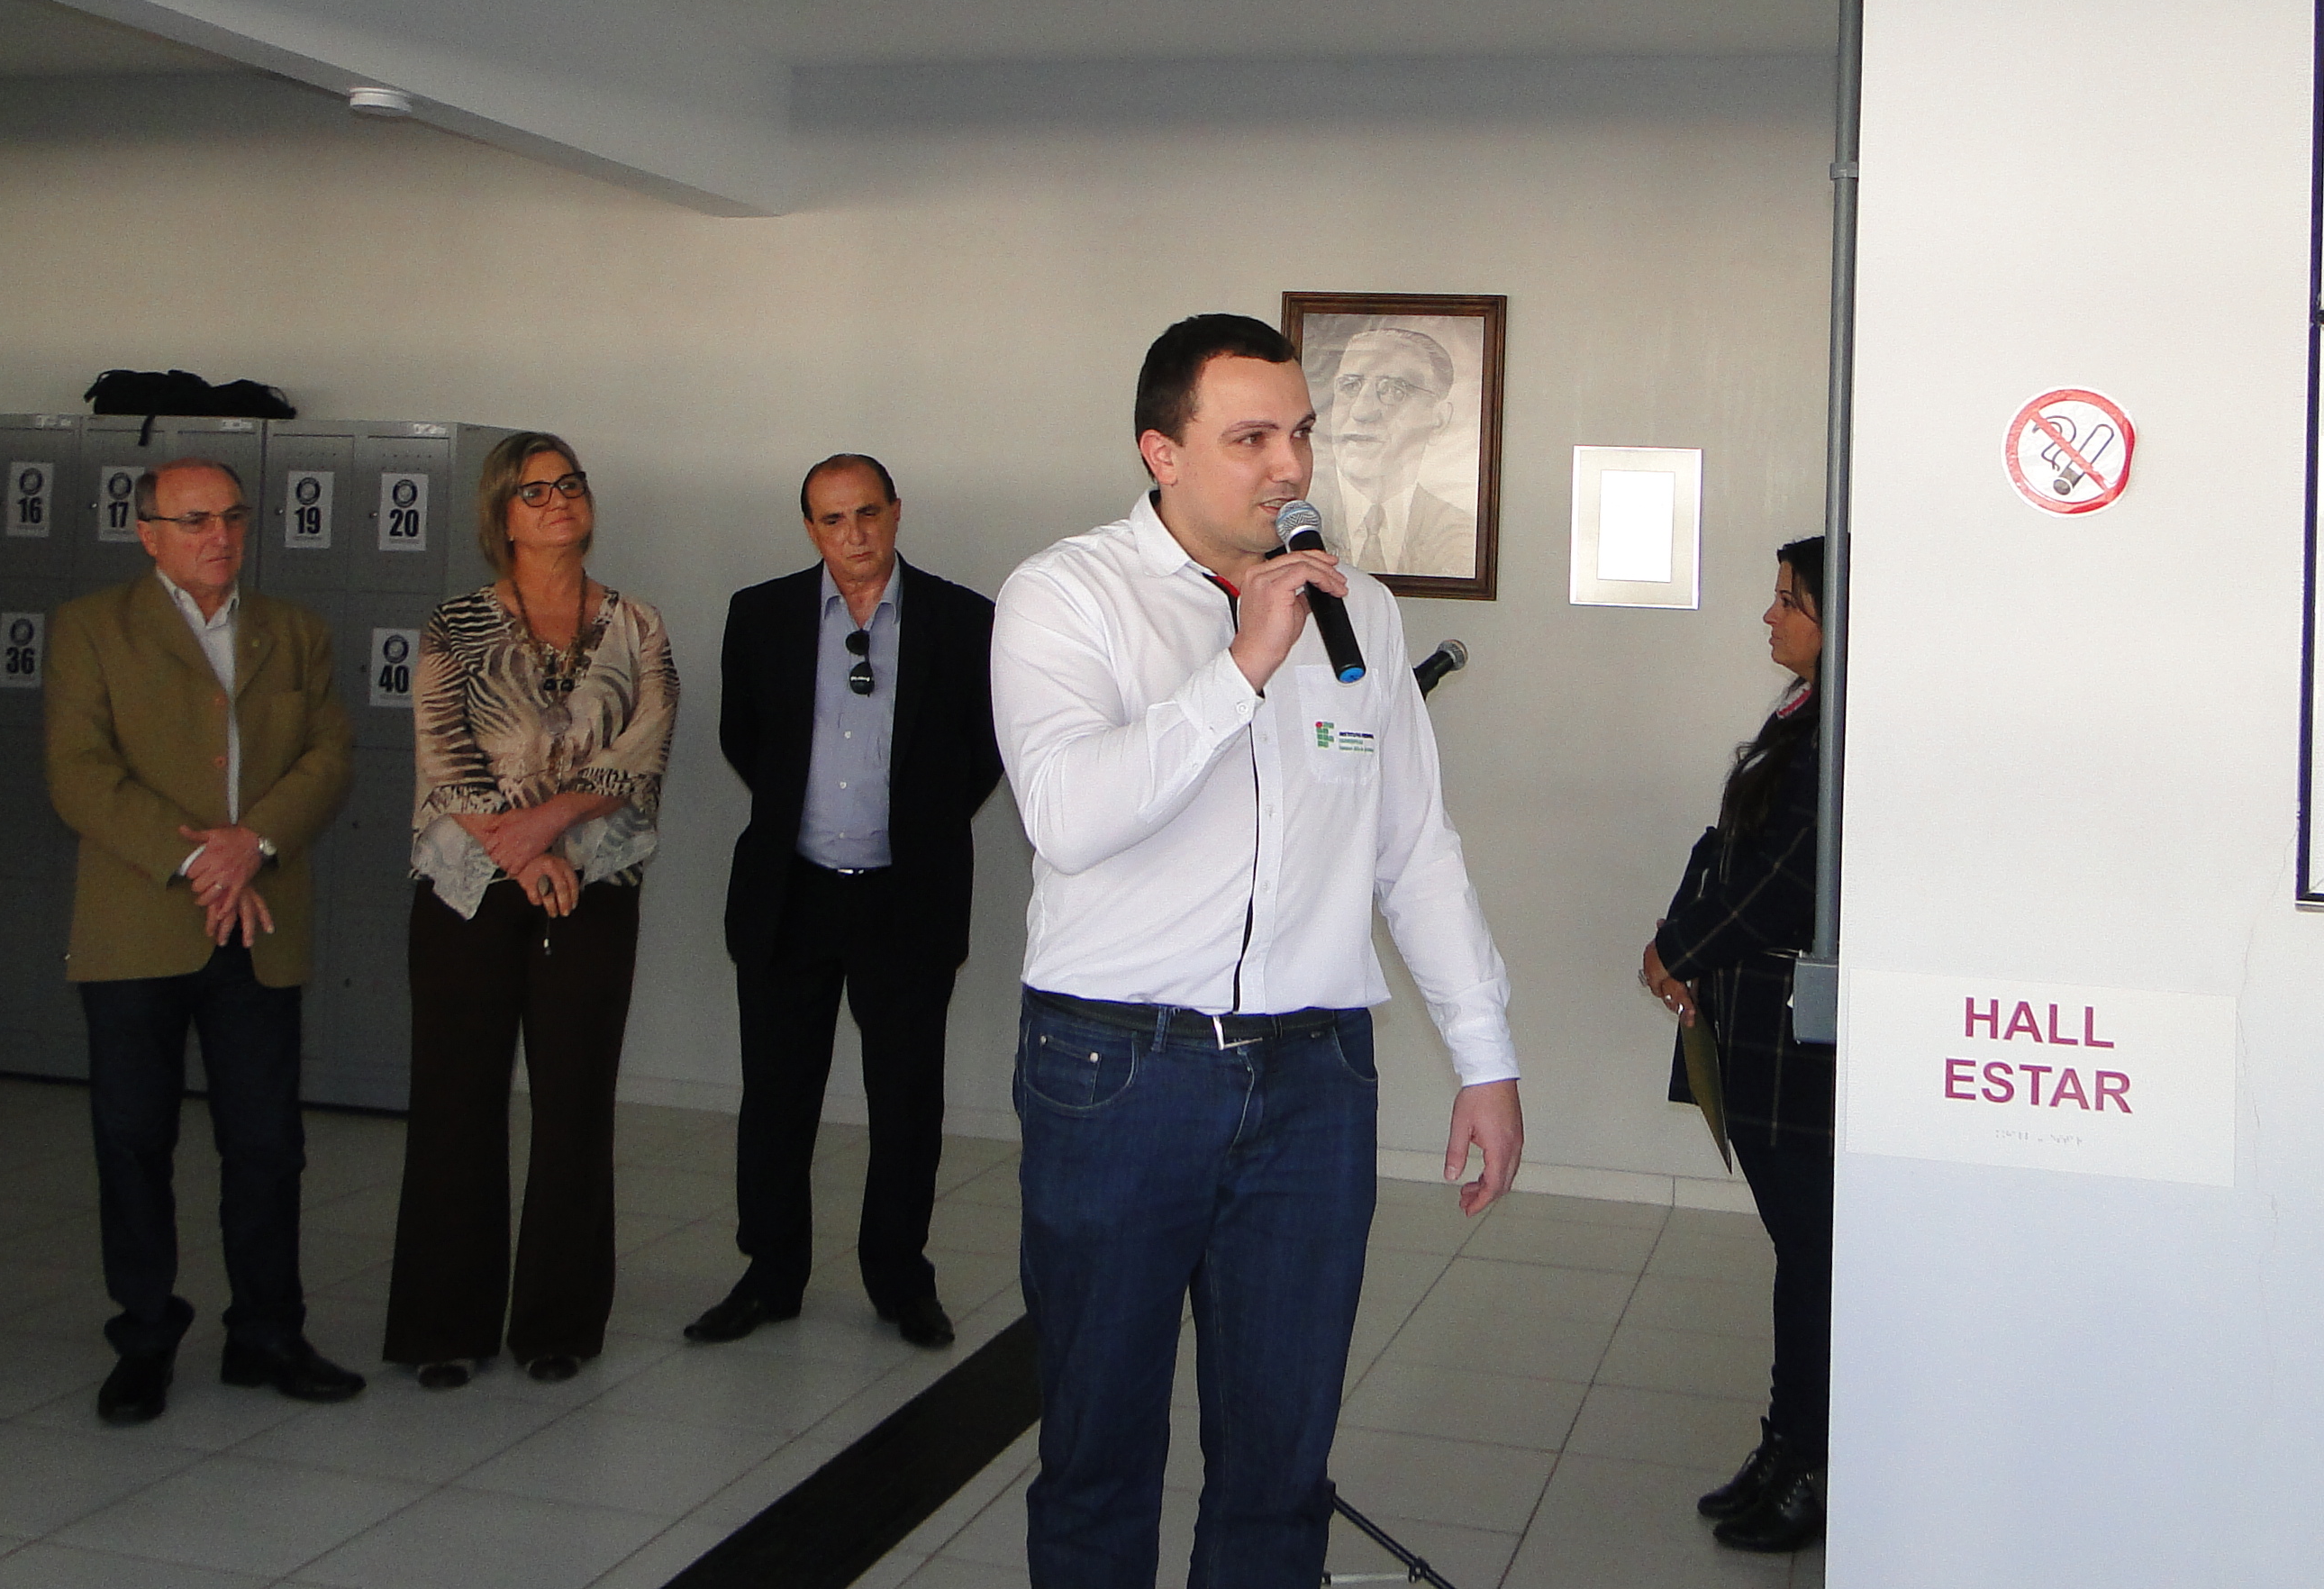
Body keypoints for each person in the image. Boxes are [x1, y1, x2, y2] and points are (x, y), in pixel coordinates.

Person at [994, 313, 1522, 1589]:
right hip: (1119, 1069)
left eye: (1299, 433)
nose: (1289, 467)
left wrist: (1485, 1054)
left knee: (1281, 1459)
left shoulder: (1364, 615)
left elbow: (1414, 849)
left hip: (1312, 1080)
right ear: (1161, 452)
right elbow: (1069, 817)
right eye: (1248, 439)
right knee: (1099, 1441)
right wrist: (1241, 665)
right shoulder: (1066, 596)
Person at [45, 457, 362, 1426]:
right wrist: (200, 860)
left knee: (267, 1143)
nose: (218, 536)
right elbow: (79, 773)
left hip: (260, 924)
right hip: (139, 923)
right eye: (193, 521)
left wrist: (252, 843)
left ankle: (267, 1333)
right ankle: (144, 1337)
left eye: (230, 516)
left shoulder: (294, 632)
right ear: (147, 533)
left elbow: (329, 757)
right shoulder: (91, 628)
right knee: (134, 1138)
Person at [684, 455, 1004, 1352]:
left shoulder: (964, 619)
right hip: (792, 889)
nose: (854, 534)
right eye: (833, 519)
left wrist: (916, 824)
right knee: (776, 1096)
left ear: (897, 512)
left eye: (868, 513)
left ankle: (900, 1278)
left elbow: (985, 750)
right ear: (810, 528)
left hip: (907, 894)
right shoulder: (761, 614)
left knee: (906, 1102)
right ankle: (770, 1273)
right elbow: (745, 737)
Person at [384, 432, 678, 1387]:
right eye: (535, 490)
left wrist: (551, 832)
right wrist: (524, 854)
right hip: (468, 887)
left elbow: (640, 755)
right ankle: (444, 1326)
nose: (559, 501)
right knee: (456, 1103)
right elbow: (445, 756)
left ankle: (558, 1321)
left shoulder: (637, 626)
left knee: (574, 1104)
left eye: (570, 484)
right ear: (501, 515)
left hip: (594, 886)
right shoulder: (456, 624)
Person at [1645, 535, 1834, 1556]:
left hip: (1797, 1045)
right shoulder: (1801, 713)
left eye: (1790, 601)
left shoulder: (1845, 732)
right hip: (1754, 1024)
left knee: (1814, 1259)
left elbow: (1786, 885)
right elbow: (1725, 849)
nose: (1771, 616)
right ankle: (1784, 1446)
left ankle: (1809, 1464)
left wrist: (1683, 948)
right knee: (1799, 1258)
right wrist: (1677, 935)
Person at [1315, 322, 1474, 577]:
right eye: (1350, 387)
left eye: (1394, 391)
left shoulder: (1463, 535)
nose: (1361, 411)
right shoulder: (1297, 521)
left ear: (1439, 419)